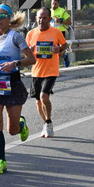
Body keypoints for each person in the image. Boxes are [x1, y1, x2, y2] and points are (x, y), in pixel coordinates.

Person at [0, 4, 35, 174]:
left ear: (9, 18)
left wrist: (16, 63)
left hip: (13, 84)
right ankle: (2, 160)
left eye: (2, 16)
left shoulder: (16, 37)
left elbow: (31, 59)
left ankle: (21, 124)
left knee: (12, 130)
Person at [26, 7, 68, 138]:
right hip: (36, 71)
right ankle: (45, 123)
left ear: (50, 19)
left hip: (51, 70)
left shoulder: (55, 32)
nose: (41, 20)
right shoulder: (31, 34)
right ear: (36, 18)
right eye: (39, 17)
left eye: (44, 18)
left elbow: (64, 45)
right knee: (38, 101)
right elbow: (26, 51)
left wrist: (59, 49)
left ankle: (49, 121)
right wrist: (30, 50)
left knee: (44, 97)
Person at [50, 0, 71, 67]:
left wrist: (61, 21)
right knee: (52, 49)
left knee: (57, 49)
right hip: (51, 33)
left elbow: (69, 22)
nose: (53, 5)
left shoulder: (62, 11)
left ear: (58, 4)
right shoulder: (49, 12)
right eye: (52, 4)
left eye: (55, 4)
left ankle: (63, 57)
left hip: (60, 32)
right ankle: (63, 57)